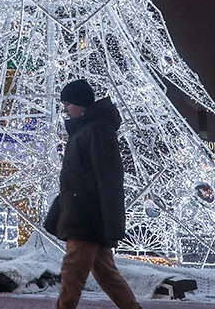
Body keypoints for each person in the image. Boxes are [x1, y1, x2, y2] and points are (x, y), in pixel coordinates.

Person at [44, 79, 142, 309]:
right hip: (84, 210)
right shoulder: (85, 130)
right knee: (106, 273)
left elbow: (109, 176)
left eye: (68, 103)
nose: (66, 109)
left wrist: (108, 216)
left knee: (73, 272)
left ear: (81, 103)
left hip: (87, 213)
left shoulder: (97, 129)